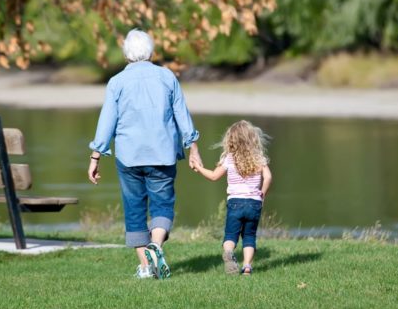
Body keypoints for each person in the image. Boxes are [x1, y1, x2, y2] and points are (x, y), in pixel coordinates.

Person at [87, 29, 202, 280]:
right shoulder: (167, 77)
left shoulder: (117, 82)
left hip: (129, 157)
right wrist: (193, 147)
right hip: (162, 154)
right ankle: (156, 247)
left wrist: (96, 156)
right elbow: (182, 114)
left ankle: (146, 267)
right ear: (151, 51)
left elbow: (107, 120)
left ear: (127, 53)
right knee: (162, 205)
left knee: (134, 210)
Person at [190, 120, 272, 276]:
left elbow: (214, 176)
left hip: (235, 203)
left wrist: (199, 168)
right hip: (254, 203)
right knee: (249, 236)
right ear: (253, 138)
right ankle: (247, 267)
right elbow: (268, 177)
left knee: (230, 235)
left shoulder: (229, 158)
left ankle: (228, 252)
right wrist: (262, 194)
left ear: (231, 140)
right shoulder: (258, 158)